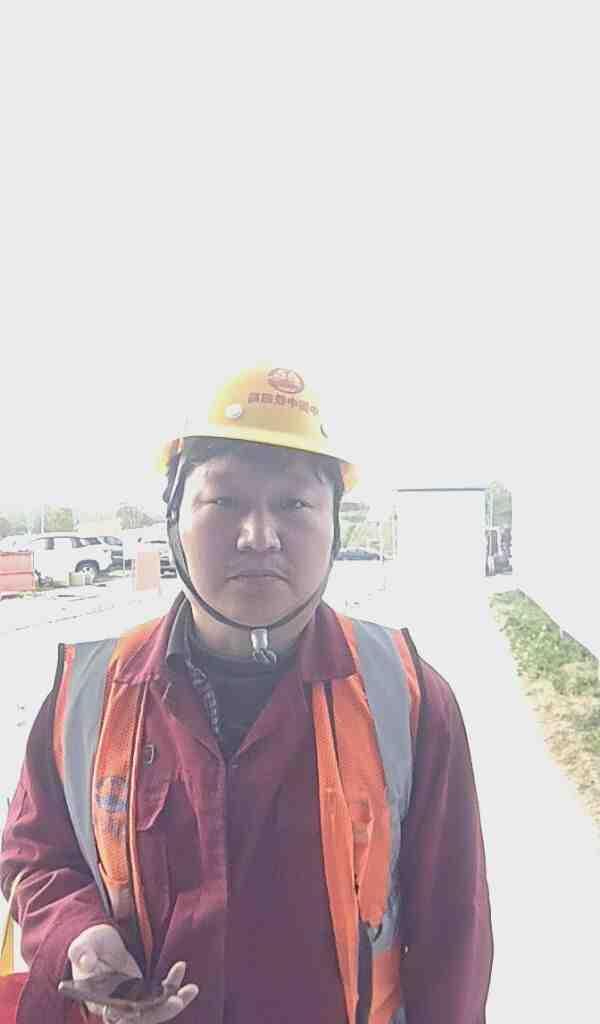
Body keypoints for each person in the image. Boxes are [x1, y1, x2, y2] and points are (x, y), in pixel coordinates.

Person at [0, 364, 493, 1024]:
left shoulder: (407, 697)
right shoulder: (90, 692)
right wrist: (78, 934)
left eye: (294, 505)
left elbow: (453, 935)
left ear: (335, 526)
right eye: (225, 501)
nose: (258, 536)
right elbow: (35, 856)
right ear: (174, 520)